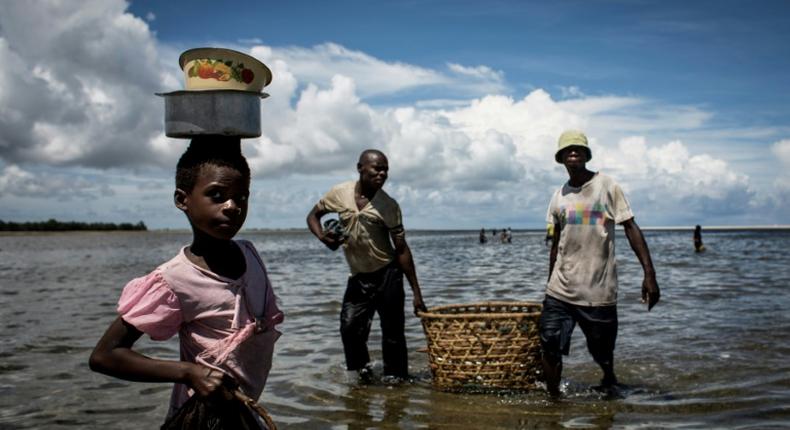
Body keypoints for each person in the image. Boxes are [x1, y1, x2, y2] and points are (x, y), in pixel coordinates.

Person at [89, 138, 283, 426]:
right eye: (217, 195)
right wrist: (188, 372)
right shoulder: (174, 279)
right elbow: (104, 356)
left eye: (241, 197)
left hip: (243, 412)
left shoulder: (249, 253)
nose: (232, 206)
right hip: (202, 419)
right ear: (182, 200)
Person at [541, 130, 660, 397]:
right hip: (560, 290)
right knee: (549, 344)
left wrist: (649, 275)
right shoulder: (558, 196)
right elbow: (556, 243)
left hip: (598, 293)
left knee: (602, 353)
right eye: (568, 149)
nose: (574, 152)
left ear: (586, 155)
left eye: (579, 148)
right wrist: (549, 284)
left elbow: (630, 227)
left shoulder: (607, 186)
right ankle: (553, 404)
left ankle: (609, 379)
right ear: (560, 157)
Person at [306, 149, 427, 381]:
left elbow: (401, 249)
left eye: (386, 170)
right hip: (359, 277)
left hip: (388, 274)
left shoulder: (389, 206)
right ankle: (362, 375)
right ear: (360, 168)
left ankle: (397, 380)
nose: (382, 174)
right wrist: (323, 237)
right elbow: (313, 216)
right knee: (350, 327)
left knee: (393, 334)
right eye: (377, 168)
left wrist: (417, 293)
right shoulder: (339, 193)